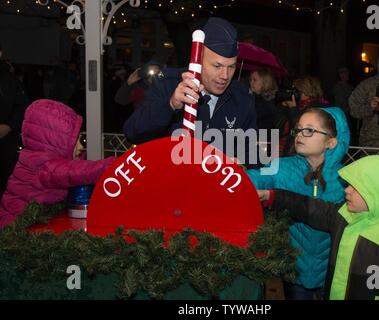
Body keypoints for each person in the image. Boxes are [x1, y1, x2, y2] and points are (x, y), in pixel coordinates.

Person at [259, 155, 379, 300]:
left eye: (356, 187)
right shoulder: (343, 216)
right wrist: (271, 195)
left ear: (378, 193)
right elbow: (307, 207)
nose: (346, 190)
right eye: (348, 185)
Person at [247, 107, 350, 299]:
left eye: (309, 130)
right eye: (298, 129)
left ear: (331, 141)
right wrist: (230, 171)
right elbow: (254, 178)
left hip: (333, 273)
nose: (300, 135)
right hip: (294, 273)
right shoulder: (282, 167)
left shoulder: (347, 179)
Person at [123, 17, 256, 164]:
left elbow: (250, 154)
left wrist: (241, 164)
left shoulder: (242, 99)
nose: (225, 76)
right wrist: (170, 105)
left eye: (231, 67)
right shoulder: (167, 84)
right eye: (217, 66)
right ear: (198, 59)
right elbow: (132, 133)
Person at [0, 99, 115, 228]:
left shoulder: (34, 156)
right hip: (15, 230)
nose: (81, 145)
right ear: (57, 141)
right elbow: (79, 172)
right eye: (75, 140)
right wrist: (116, 164)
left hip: (30, 224)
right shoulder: (45, 166)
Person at [0, 44, 28, 198]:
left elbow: (21, 105)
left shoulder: (9, 79)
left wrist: (9, 126)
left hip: (5, 139)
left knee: (6, 185)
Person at [280, 76, 331, 155]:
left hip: (304, 152)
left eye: (297, 91)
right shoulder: (300, 106)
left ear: (306, 92)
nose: (294, 94)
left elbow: (299, 127)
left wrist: (293, 109)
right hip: (292, 149)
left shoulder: (316, 108)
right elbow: (278, 125)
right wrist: (284, 107)